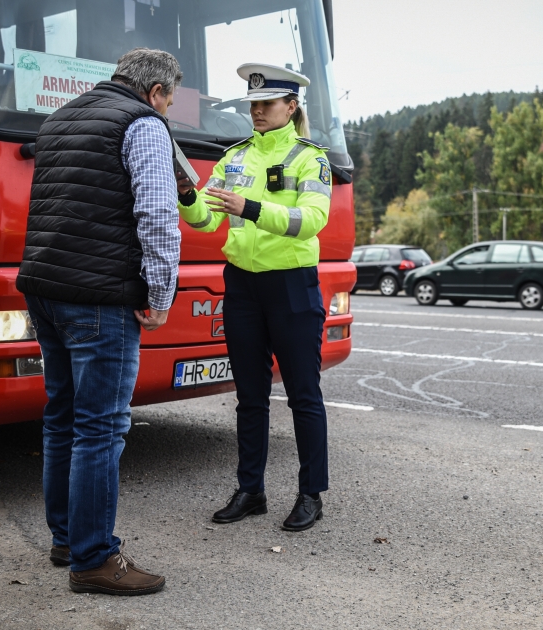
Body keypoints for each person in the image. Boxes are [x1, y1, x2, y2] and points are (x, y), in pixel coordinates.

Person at [16, 48, 183, 596]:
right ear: (155, 92)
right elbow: (158, 213)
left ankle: (67, 538)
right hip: (99, 299)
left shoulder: (60, 119)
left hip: (46, 289)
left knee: (62, 417)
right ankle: (93, 559)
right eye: (169, 101)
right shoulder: (142, 124)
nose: (167, 110)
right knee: (101, 427)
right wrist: (160, 294)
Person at [177, 63, 333, 532]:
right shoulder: (235, 157)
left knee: (304, 395)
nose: (258, 111)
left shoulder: (311, 158)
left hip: (291, 284)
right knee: (249, 396)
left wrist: (251, 207)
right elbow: (206, 220)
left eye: (267, 104)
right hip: (241, 284)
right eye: (253, 105)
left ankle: (311, 494)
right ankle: (251, 490)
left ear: (291, 106)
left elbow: (310, 221)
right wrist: (188, 195)